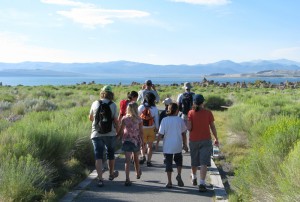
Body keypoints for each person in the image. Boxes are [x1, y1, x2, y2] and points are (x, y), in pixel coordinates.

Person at [187, 94, 219, 192]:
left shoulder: (190, 113)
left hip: (194, 140)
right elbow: (212, 126)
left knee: (194, 160)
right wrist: (216, 138)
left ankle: (193, 177)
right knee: (204, 162)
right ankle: (202, 183)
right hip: (206, 140)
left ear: (194, 102)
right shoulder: (208, 113)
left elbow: (189, 128)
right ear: (202, 102)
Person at [89, 85, 119, 187]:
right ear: (111, 94)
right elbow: (116, 120)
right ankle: (111, 174)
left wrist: (99, 123)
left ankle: (100, 179)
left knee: (98, 156)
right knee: (110, 154)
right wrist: (118, 132)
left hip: (96, 133)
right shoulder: (113, 105)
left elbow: (91, 117)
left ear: (102, 93)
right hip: (110, 133)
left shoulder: (95, 103)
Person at [156, 103, 187, 188]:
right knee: (179, 161)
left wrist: (157, 143)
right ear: (177, 110)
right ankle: (179, 174)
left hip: (167, 146)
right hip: (177, 144)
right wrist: (185, 144)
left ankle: (169, 182)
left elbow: (160, 134)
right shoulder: (180, 120)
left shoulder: (165, 120)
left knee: (168, 163)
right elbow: (184, 134)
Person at [117, 102, 143, 186]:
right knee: (136, 159)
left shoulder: (124, 119)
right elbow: (141, 131)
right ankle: (138, 173)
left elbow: (121, 130)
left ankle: (127, 179)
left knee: (127, 160)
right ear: (136, 109)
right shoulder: (139, 119)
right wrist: (142, 141)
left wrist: (118, 136)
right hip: (136, 140)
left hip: (127, 140)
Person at [138, 92, 159, 167]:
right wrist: (157, 128)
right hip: (151, 128)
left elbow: (138, 118)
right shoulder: (155, 109)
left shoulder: (141, 107)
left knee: (142, 144)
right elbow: (156, 119)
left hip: (142, 128)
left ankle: (143, 156)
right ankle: (149, 161)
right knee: (150, 146)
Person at [177, 82, 195, 152]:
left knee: (183, 132)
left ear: (184, 88)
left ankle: (185, 145)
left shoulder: (181, 95)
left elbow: (178, 105)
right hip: (192, 115)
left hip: (183, 115)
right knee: (191, 131)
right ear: (190, 88)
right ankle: (191, 146)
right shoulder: (193, 95)